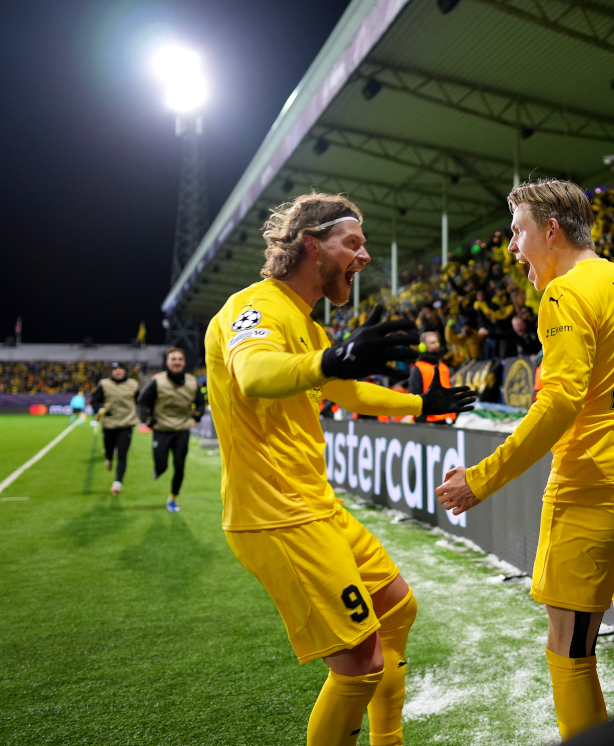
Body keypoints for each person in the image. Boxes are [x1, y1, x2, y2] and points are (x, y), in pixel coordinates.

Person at [204, 193, 476, 746]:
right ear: (311, 244)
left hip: (314, 505)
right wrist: (332, 359)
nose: (365, 256)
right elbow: (256, 375)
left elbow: (344, 388)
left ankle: (387, 740)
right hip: (275, 516)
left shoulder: (307, 324)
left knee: (397, 607)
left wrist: (423, 405)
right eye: (353, 243)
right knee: (360, 663)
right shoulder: (251, 307)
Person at [436, 179, 614, 740]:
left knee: (570, 652)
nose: (511, 247)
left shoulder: (565, 292)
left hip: (593, 487)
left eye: (517, 232)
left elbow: (560, 401)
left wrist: (481, 478)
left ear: (550, 230)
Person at [137, 347, 205, 512]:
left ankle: (172, 498)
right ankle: (158, 469)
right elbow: (142, 401)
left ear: (184, 362)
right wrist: (147, 420)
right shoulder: (157, 381)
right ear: (167, 362)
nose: (177, 362)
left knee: (180, 465)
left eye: (180, 359)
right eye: (173, 359)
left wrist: (196, 416)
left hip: (182, 429)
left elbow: (201, 402)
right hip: (161, 428)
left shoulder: (192, 381)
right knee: (162, 466)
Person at [91, 362, 139, 495]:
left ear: (125, 371)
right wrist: (100, 411)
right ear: (111, 372)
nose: (118, 372)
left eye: (121, 369)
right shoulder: (104, 384)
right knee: (109, 449)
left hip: (126, 423)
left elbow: (140, 401)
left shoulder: (133, 384)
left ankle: (117, 483)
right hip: (109, 423)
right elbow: (95, 401)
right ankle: (108, 458)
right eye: (115, 369)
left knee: (122, 453)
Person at [408, 331, 456, 424]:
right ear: (423, 347)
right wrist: (421, 418)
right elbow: (415, 394)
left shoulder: (444, 368)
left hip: (446, 419)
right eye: (432, 343)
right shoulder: (418, 368)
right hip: (427, 420)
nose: (436, 345)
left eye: (437, 342)